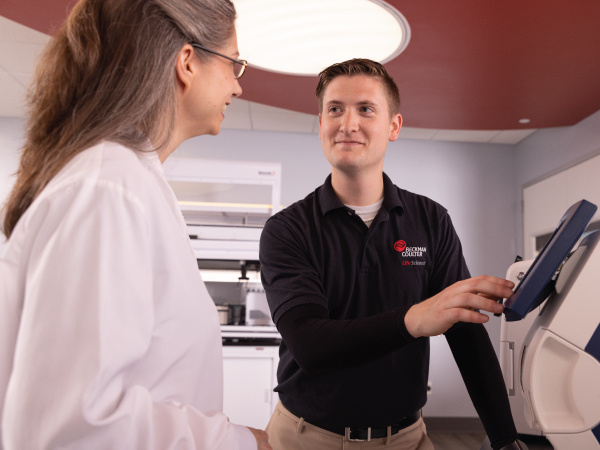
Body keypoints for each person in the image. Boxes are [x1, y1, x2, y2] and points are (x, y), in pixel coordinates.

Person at [0, 1, 271, 449]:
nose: (238, 87)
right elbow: (75, 428)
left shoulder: (128, 179)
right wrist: (242, 443)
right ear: (187, 62)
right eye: (234, 64)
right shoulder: (109, 184)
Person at [259, 59, 525, 450]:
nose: (348, 123)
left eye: (365, 109)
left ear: (394, 127)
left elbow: (465, 332)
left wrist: (504, 438)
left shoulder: (431, 220)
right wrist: (413, 320)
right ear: (320, 125)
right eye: (335, 109)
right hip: (306, 438)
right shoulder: (288, 229)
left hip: (407, 439)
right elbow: (310, 345)